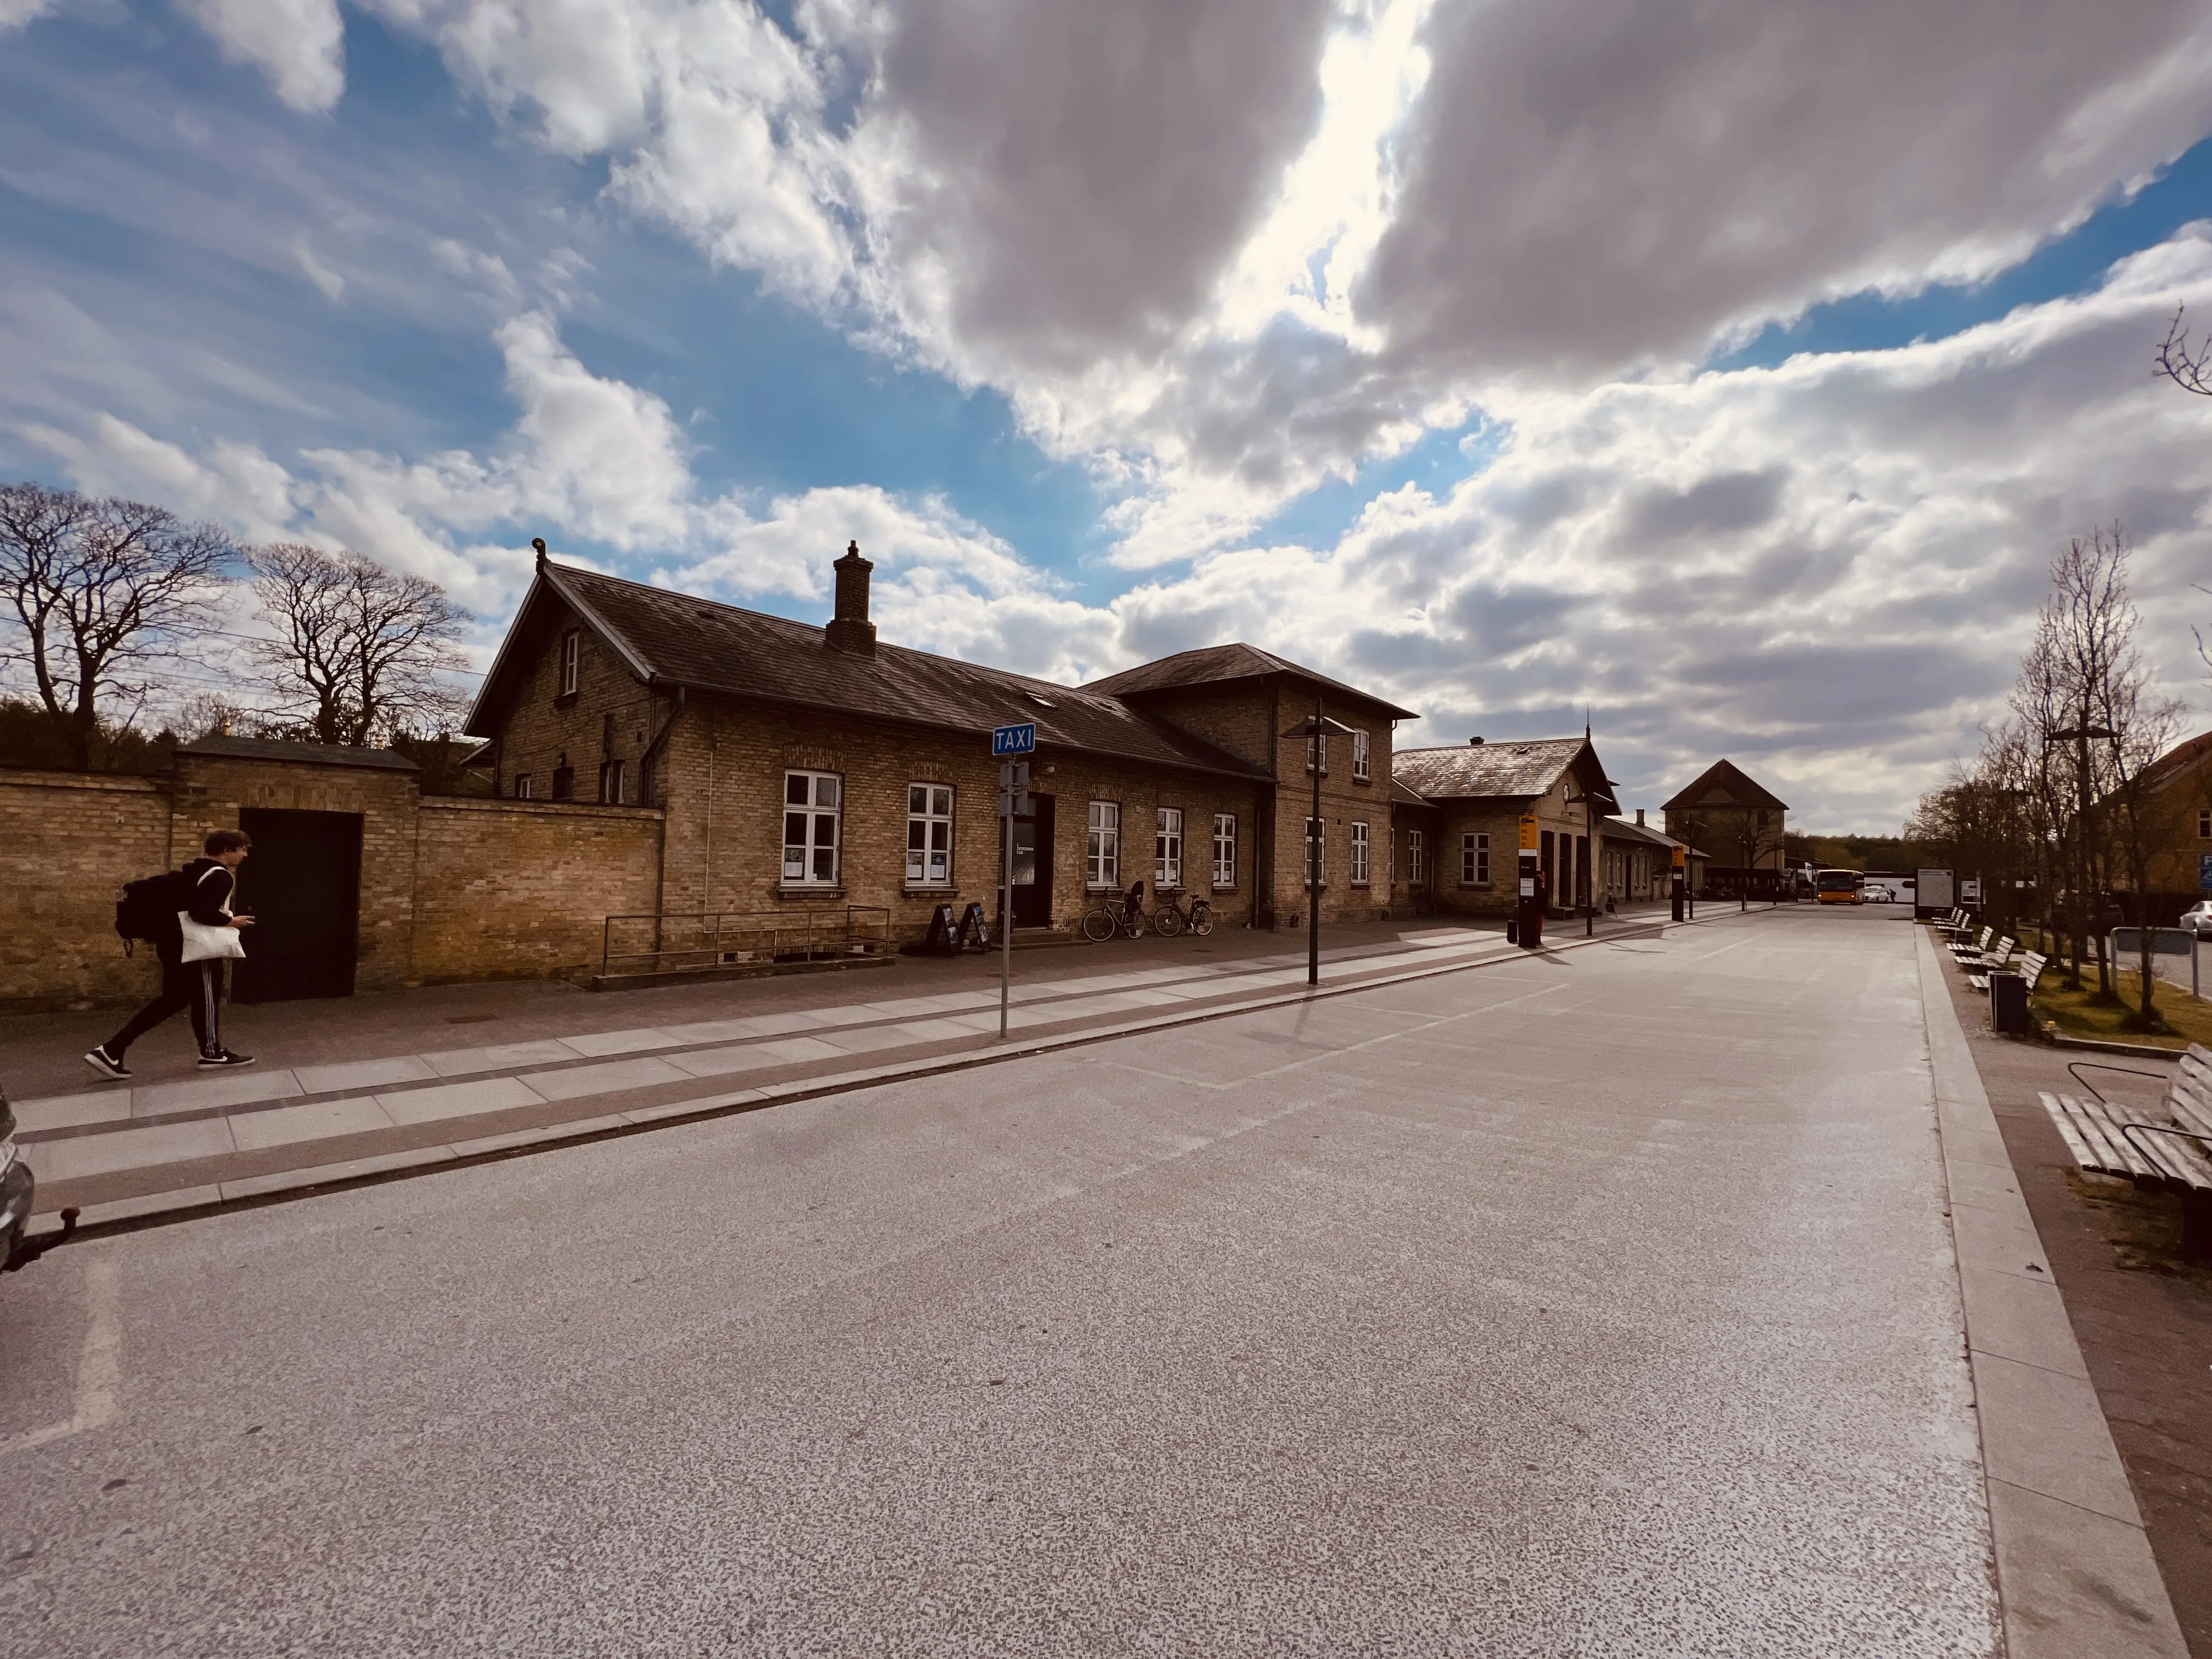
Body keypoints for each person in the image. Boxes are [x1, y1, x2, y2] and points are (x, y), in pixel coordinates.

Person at [83, 830, 257, 1078]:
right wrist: (231, 921)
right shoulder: (220, 876)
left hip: (172, 945)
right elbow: (201, 913)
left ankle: (112, 1050)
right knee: (206, 998)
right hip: (196, 950)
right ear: (226, 851)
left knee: (174, 1000)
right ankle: (212, 1053)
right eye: (242, 849)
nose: (245, 855)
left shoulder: (193, 871)